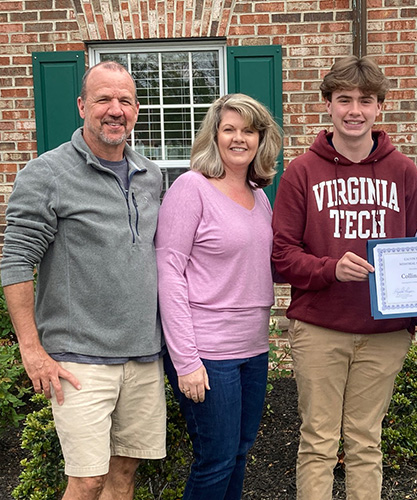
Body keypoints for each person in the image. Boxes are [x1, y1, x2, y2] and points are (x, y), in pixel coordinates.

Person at [1, 61, 166, 500]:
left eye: (125, 101)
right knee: (87, 480)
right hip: (79, 360)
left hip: (144, 354)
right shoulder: (46, 174)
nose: (115, 110)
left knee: (124, 472)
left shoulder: (152, 176)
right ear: (81, 106)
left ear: (136, 109)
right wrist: (32, 350)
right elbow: (16, 262)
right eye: (103, 99)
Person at [271, 55, 417, 500]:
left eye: (365, 100)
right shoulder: (302, 171)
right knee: (318, 443)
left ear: (379, 107)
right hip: (319, 327)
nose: (354, 110)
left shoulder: (403, 172)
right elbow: (281, 257)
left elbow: (415, 244)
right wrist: (330, 269)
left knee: (365, 442)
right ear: (327, 105)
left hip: (384, 332)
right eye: (344, 100)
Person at [155, 93, 283, 500]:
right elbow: (169, 273)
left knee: (240, 453)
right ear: (214, 136)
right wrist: (186, 360)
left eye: (249, 130)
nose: (239, 138)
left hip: (253, 348)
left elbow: (261, 267)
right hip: (208, 352)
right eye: (229, 129)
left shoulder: (259, 196)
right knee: (215, 460)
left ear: (262, 139)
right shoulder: (191, 188)